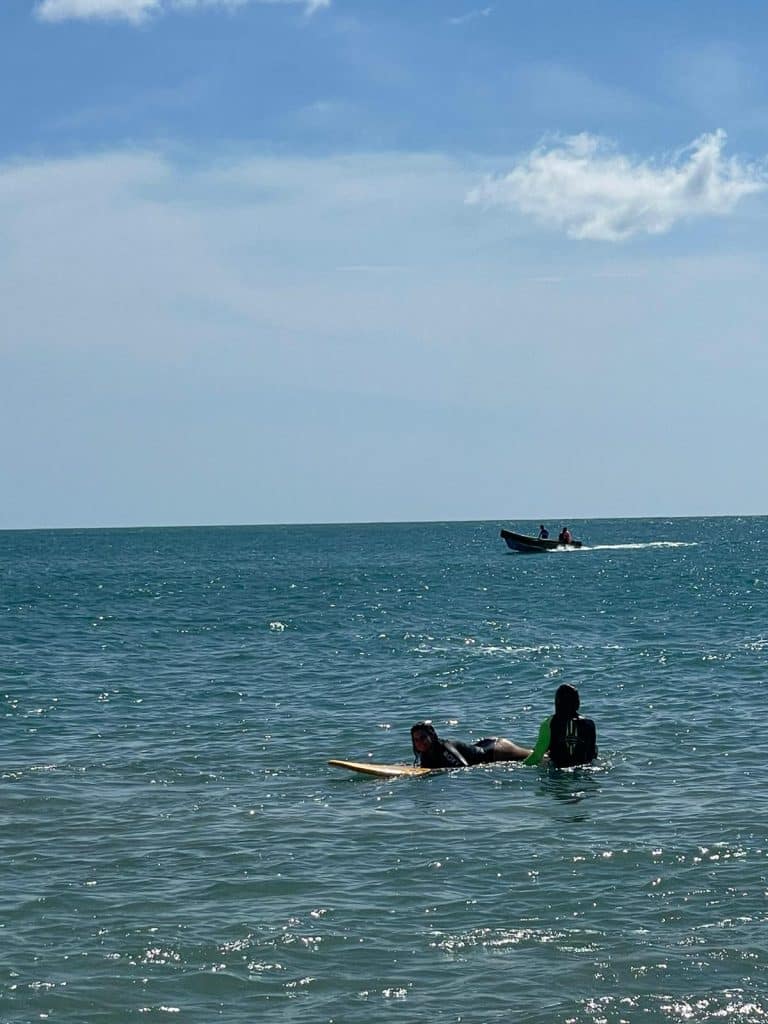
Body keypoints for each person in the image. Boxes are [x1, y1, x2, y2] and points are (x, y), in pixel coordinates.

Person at [523, 684, 597, 768]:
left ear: (557, 703)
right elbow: (592, 754)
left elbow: (537, 756)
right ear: (577, 703)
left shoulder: (549, 723)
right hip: (584, 771)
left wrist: (521, 767)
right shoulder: (589, 724)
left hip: (557, 773)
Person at [410, 721, 532, 769]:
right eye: (416, 740)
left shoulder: (445, 747)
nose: (420, 742)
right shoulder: (426, 754)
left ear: (431, 736)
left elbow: (464, 766)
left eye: (423, 737)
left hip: (497, 750)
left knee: (539, 756)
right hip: (483, 746)